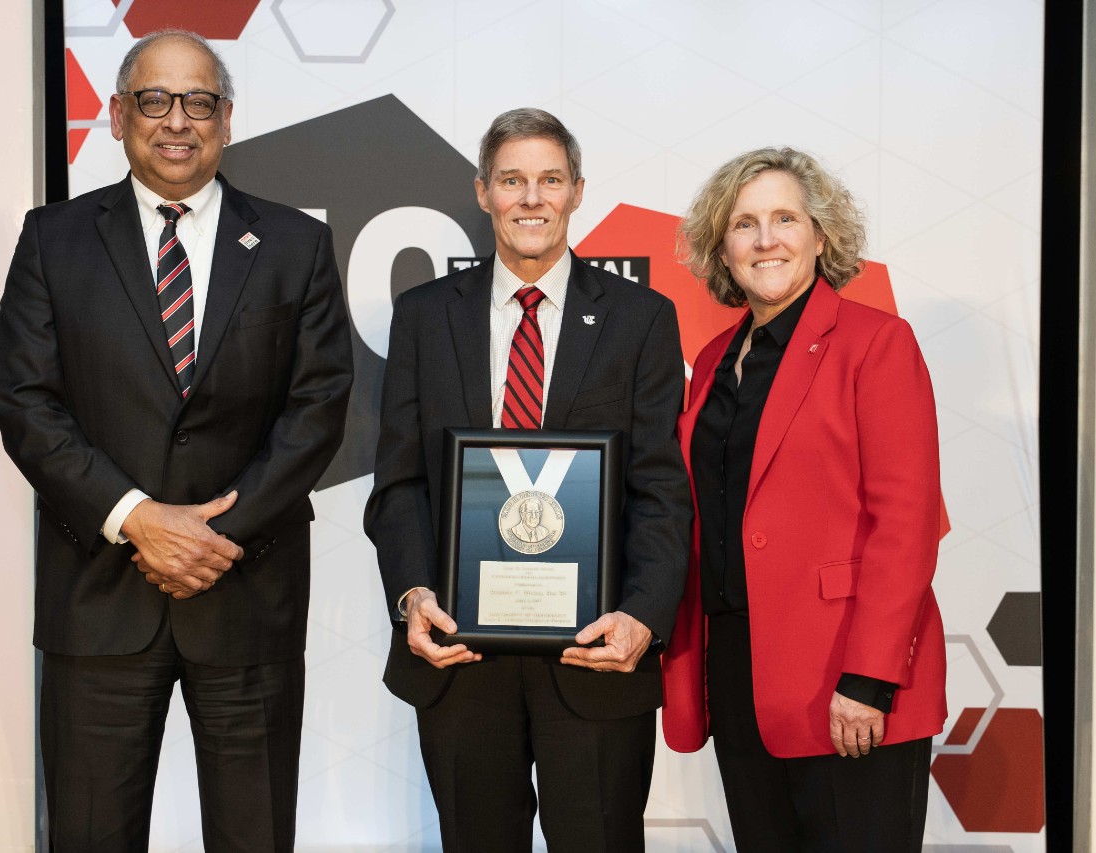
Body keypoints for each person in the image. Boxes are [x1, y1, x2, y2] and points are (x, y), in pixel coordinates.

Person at [0, 29, 352, 851]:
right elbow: (25, 400)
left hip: (247, 595)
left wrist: (211, 535)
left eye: (197, 101)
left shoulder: (296, 245)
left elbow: (318, 406)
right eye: (154, 100)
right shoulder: (55, 238)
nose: (176, 120)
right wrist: (137, 517)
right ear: (117, 116)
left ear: (226, 118)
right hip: (100, 603)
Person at [364, 108, 691, 852]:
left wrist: (642, 615)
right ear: (483, 192)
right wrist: (413, 594)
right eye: (512, 180)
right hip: (459, 655)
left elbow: (661, 489)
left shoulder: (642, 319)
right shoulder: (422, 316)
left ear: (578, 191)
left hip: (597, 652)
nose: (531, 198)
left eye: (550, 179)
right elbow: (399, 483)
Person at [660, 147, 947, 852]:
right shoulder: (713, 366)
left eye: (786, 218)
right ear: (720, 249)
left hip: (845, 676)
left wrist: (870, 677)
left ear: (821, 236)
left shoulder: (876, 344)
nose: (766, 240)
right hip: (739, 674)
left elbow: (906, 523)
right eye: (745, 224)